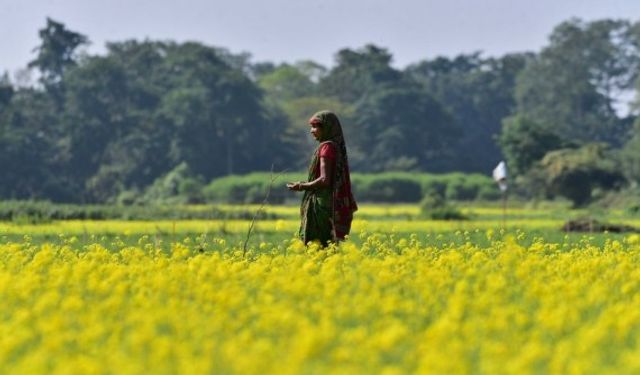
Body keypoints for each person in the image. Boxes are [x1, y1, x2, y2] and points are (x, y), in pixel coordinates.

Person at [287, 110, 358, 246]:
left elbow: (324, 180)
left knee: (317, 245)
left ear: (326, 128)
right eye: (311, 127)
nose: (312, 131)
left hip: (322, 205)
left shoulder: (326, 148)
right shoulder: (336, 146)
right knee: (328, 246)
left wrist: (301, 186)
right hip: (330, 203)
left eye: (315, 127)